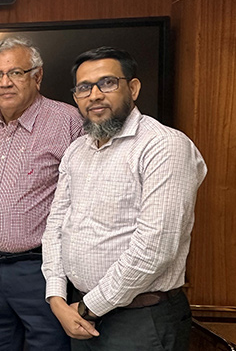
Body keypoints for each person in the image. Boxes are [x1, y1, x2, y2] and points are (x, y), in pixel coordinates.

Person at [42, 47, 207, 351]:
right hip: (78, 314)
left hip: (140, 320)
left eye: (107, 83)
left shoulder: (163, 146)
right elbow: (55, 226)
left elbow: (155, 249)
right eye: (83, 88)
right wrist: (56, 297)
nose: (94, 95)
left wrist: (89, 307)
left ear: (133, 88)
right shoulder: (77, 150)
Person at [0, 37, 83, 350]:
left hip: (41, 271)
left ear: (37, 76)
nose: (5, 82)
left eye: (15, 72)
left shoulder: (67, 121)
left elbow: (84, 199)